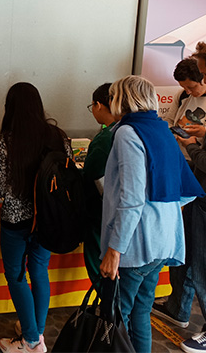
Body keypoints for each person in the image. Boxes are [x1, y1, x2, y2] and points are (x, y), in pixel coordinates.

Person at [99, 75, 203, 353]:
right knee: (140, 313)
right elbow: (187, 190)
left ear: (122, 99)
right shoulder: (161, 129)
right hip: (164, 239)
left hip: (135, 244)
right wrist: (159, 213)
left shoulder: (127, 133)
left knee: (115, 317)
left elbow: (131, 199)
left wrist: (114, 250)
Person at [156, 39, 206, 353]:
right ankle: (178, 308)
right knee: (187, 256)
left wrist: (191, 147)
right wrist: (203, 135)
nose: (203, 81)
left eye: (204, 74)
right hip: (202, 195)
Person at [0, 82, 71, 353]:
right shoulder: (58, 135)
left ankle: (30, 339)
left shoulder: (5, 140)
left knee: (15, 275)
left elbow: (0, 188)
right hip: (48, 219)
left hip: (16, 220)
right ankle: (35, 332)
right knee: (39, 271)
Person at [81, 83, 116, 287]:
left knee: (100, 268)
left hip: (100, 216)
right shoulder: (130, 129)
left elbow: (92, 175)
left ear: (98, 105)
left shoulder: (105, 138)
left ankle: (106, 315)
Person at [163, 57, 206, 160]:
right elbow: (169, 120)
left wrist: (205, 132)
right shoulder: (182, 95)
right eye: (184, 87)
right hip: (177, 155)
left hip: (201, 160)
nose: (188, 91)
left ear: (204, 79)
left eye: (191, 87)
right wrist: (175, 135)